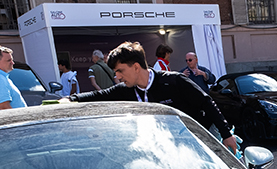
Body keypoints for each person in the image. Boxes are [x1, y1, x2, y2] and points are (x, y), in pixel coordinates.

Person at [68, 41, 239, 154]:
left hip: (204, 139)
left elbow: (206, 102)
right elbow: (99, 95)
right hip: (171, 146)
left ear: (135, 67)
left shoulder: (174, 81)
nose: (118, 76)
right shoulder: (126, 89)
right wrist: (70, 100)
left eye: (120, 71)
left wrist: (225, 134)